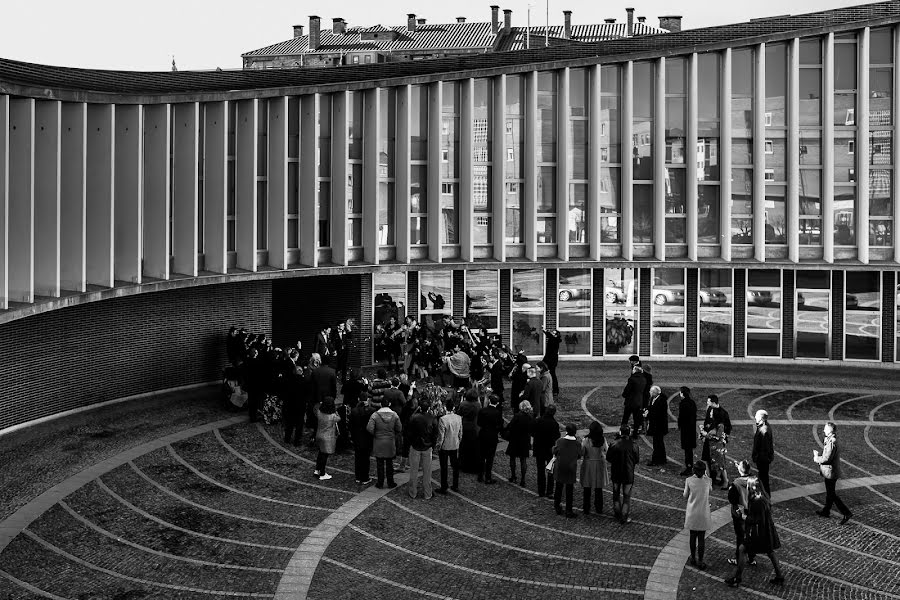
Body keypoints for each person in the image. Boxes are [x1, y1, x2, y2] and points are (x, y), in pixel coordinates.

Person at [726, 478, 785, 587]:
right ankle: (779, 576)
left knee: (742, 549)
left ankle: (737, 578)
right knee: (770, 552)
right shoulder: (764, 498)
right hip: (767, 530)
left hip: (758, 533)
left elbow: (757, 519)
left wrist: (743, 517)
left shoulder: (757, 501)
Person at [813, 421, 852, 524]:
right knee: (830, 492)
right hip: (831, 471)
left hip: (830, 471)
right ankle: (826, 511)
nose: (823, 430)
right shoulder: (831, 440)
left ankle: (846, 512)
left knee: (832, 494)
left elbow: (827, 458)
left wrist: (817, 458)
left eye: (825, 429)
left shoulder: (832, 442)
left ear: (830, 431)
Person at [407, 397, 439, 500]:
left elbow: (409, 432)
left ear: (420, 407)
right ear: (429, 407)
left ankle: (413, 492)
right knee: (427, 471)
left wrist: (411, 442)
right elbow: (435, 434)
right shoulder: (432, 418)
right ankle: (427, 493)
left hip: (415, 446)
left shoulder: (414, 417)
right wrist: (432, 446)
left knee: (414, 471)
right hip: (427, 447)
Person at [366, 396, 402, 489]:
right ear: (389, 404)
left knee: (380, 463)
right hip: (390, 441)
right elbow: (399, 428)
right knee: (390, 463)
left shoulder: (375, 415)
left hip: (379, 441)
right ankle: (391, 482)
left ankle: (380, 483)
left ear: (381, 404)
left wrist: (376, 434)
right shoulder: (394, 415)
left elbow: (369, 428)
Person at [606, 425, 640, 524]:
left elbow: (608, 458)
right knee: (626, 496)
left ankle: (617, 514)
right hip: (628, 474)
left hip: (616, 473)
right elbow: (636, 459)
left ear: (620, 432)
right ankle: (624, 517)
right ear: (629, 433)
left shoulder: (614, 444)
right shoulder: (633, 445)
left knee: (616, 494)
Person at [726, 460, 756, 567]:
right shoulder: (754, 480)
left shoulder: (736, 483)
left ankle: (738, 558)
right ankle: (752, 557)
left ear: (740, 470)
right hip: (752, 512)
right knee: (751, 534)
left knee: (740, 536)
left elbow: (732, 499)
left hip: (740, 513)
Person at [683, 460, 712, 570]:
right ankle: (700, 560)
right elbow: (711, 490)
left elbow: (685, 495)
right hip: (703, 513)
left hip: (692, 513)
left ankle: (693, 558)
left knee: (692, 536)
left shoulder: (689, 480)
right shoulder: (708, 481)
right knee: (701, 539)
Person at [580, 421, 609, 516]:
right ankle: (599, 507)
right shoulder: (602, 440)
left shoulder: (586, 440)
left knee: (587, 487)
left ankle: (586, 508)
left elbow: (582, 452)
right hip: (599, 463)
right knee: (598, 488)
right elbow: (607, 450)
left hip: (588, 463)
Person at [553, 423, 581, 518]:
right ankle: (569, 510)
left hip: (560, 466)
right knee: (569, 490)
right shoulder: (577, 443)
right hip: (571, 468)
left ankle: (557, 506)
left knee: (558, 487)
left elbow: (554, 451)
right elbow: (579, 454)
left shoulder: (560, 441)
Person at [532, 404, 561, 498]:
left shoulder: (538, 421)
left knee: (540, 470)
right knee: (550, 471)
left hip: (539, 449)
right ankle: (549, 491)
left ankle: (541, 491)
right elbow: (557, 436)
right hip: (550, 451)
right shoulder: (554, 424)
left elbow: (532, 432)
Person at [436, 395, 463, 494]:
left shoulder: (443, 419)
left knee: (444, 467)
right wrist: (458, 442)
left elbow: (441, 436)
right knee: (455, 466)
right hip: (454, 444)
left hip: (445, 446)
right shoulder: (459, 418)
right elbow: (460, 433)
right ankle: (455, 485)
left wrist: (438, 446)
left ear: (445, 407)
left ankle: (444, 487)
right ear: (454, 408)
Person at [700, 394, 731, 477]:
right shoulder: (710, 409)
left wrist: (724, 438)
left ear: (713, 402)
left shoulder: (723, 414)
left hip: (716, 442)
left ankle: (718, 478)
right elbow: (706, 422)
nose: (707, 402)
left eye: (708, 401)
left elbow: (727, 427)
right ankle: (714, 477)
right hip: (709, 440)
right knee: (707, 458)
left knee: (718, 460)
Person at [349, 395, 377, 484]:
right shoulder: (372, 411)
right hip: (367, 437)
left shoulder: (354, 411)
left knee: (358, 457)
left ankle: (358, 476)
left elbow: (350, 426)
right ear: (367, 400)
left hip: (357, 437)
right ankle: (365, 477)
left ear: (358, 399)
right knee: (366, 458)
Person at [476, 394, 504, 484]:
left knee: (481, 456)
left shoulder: (482, 411)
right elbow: (500, 426)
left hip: (483, 434)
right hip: (492, 436)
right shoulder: (498, 413)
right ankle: (488, 477)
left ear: (489, 401)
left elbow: (479, 423)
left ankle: (480, 475)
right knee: (490, 458)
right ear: (498, 403)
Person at [505, 400, 534, 486]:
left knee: (512, 458)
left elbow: (510, 426)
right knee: (523, 460)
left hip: (515, 439)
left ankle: (513, 476)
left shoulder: (517, 416)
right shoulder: (530, 417)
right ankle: (523, 480)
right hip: (525, 440)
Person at [314, 397, 341, 481]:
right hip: (327, 438)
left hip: (319, 434)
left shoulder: (319, 412)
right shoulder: (333, 416)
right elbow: (339, 418)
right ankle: (322, 473)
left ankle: (317, 470)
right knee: (324, 456)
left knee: (320, 454)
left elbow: (316, 408)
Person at [457, 388, 482, 473]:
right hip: (475, 427)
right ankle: (474, 466)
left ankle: (463, 464)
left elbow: (459, 413)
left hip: (465, 426)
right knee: (474, 447)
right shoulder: (477, 405)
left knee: (464, 447)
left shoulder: (463, 404)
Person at [645, 385, 669, 466]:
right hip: (657, 426)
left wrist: (647, 415)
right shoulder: (655, 398)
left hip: (659, 426)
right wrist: (647, 410)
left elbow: (657, 414)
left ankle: (656, 460)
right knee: (658, 443)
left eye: (651, 391)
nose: (649, 392)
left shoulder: (661, 401)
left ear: (655, 393)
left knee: (657, 443)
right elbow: (651, 408)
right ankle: (661, 459)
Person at [752, 409, 774, 497]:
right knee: (763, 478)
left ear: (761, 418)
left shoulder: (764, 430)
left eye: (756, 416)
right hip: (763, 459)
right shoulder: (764, 427)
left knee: (763, 479)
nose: (755, 417)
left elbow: (765, 448)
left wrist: (757, 458)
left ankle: (766, 497)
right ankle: (765, 496)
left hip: (763, 459)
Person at [621, 366, 648, 437]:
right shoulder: (644, 379)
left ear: (635, 371)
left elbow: (627, 390)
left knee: (625, 417)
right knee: (636, 418)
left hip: (630, 402)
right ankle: (635, 433)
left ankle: (622, 431)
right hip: (639, 401)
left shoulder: (632, 379)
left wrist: (624, 395)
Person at [677, 386, 698, 476]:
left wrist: (679, 425)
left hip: (686, 430)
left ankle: (689, 466)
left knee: (687, 449)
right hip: (692, 429)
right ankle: (689, 465)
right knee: (689, 449)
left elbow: (681, 417)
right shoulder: (692, 403)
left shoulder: (683, 403)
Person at [541, 328, 562, 396]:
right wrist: (545, 331)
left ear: (556, 335)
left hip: (552, 360)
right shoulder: (553, 339)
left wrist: (545, 331)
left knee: (552, 374)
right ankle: (546, 387)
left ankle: (555, 390)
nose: (552, 333)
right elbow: (549, 335)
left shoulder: (555, 340)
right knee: (545, 372)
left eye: (553, 333)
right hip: (548, 359)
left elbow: (549, 335)